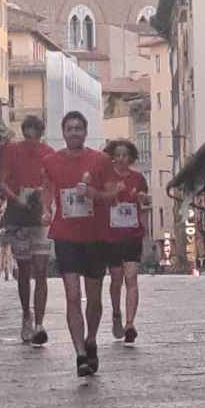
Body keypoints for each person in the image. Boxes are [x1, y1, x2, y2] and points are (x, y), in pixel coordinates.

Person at [41, 111, 112, 377]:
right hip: (65, 236)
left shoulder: (100, 160)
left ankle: (91, 339)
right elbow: (46, 189)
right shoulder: (51, 161)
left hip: (95, 237)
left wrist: (93, 193)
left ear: (85, 131)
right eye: (69, 128)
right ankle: (80, 354)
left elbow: (112, 195)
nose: (74, 132)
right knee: (72, 296)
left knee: (93, 299)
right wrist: (46, 209)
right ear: (63, 132)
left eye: (78, 128)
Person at [0, 115, 54, 345]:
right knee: (25, 268)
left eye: (36, 134)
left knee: (41, 269)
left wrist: (46, 204)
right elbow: (0, 181)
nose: (32, 138)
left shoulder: (49, 152)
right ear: (23, 131)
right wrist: (15, 198)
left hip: (39, 214)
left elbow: (52, 184)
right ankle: (26, 315)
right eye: (28, 133)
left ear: (40, 134)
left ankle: (39, 322)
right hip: (18, 215)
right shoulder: (11, 150)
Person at [101, 139, 149, 344]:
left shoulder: (138, 178)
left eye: (125, 155)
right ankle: (116, 314)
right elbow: (100, 200)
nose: (121, 158)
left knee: (131, 277)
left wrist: (141, 198)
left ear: (131, 157)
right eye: (118, 154)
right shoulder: (106, 177)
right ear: (112, 156)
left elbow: (145, 200)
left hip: (132, 234)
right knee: (116, 278)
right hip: (112, 235)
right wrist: (114, 192)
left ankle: (130, 323)